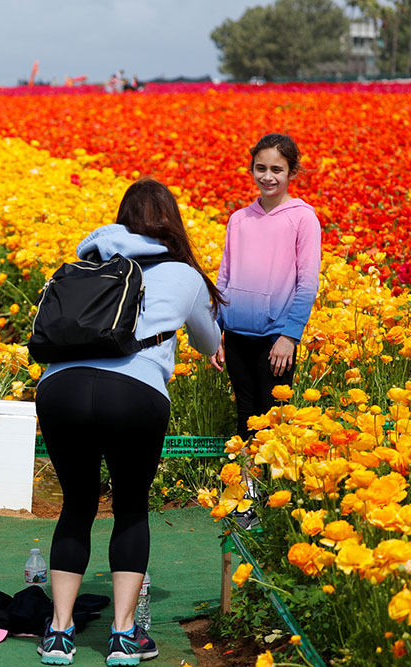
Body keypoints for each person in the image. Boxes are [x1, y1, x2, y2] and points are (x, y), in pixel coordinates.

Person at [34, 179, 222, 666]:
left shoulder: (87, 258)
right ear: (171, 222)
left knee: (76, 504)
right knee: (131, 507)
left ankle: (58, 634)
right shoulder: (183, 273)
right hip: (133, 392)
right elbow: (206, 342)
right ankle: (122, 635)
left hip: (62, 389)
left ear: (121, 218)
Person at [209, 134, 321, 442]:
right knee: (245, 411)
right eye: (261, 168)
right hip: (235, 334)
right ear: (251, 169)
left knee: (272, 411)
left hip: (275, 337)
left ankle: (270, 483)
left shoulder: (303, 219)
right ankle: (245, 484)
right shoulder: (239, 219)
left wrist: (289, 335)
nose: (267, 177)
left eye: (277, 170)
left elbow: (308, 283)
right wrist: (213, 329)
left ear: (292, 173)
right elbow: (224, 279)